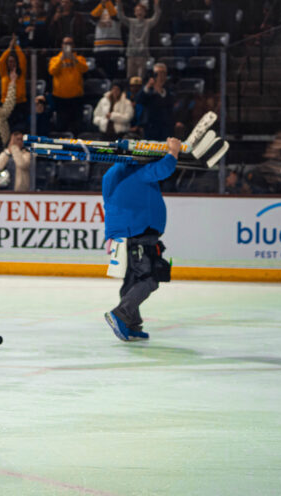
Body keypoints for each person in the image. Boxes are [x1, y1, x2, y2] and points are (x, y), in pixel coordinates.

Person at [102, 137, 181, 342]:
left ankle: (132, 325)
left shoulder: (111, 174)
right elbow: (163, 169)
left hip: (123, 236)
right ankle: (122, 314)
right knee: (149, 278)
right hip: (140, 233)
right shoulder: (137, 172)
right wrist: (173, 152)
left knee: (131, 280)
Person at [47, 37, 90, 134]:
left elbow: (84, 69)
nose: (67, 46)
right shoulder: (55, 59)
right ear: (61, 45)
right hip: (60, 99)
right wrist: (62, 58)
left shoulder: (79, 58)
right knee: (61, 126)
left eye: (70, 43)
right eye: (65, 43)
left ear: (73, 45)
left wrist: (73, 59)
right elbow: (52, 71)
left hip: (76, 99)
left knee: (77, 127)